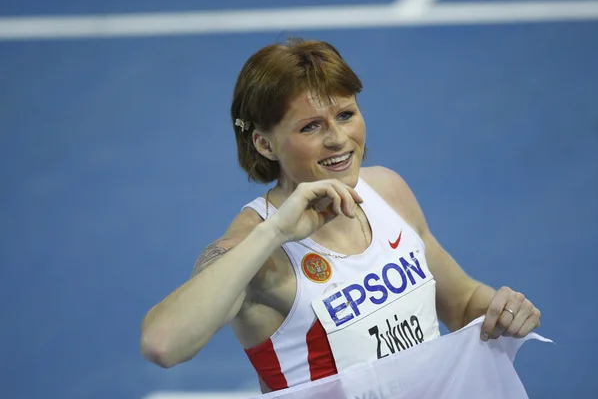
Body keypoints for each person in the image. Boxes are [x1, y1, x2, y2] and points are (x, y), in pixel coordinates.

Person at [140, 38, 542, 394]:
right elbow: (163, 344)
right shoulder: (255, 250)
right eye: (311, 126)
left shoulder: (386, 190)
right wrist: (274, 232)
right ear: (264, 144)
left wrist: (503, 310)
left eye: (346, 115)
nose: (337, 139)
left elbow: (462, 302)